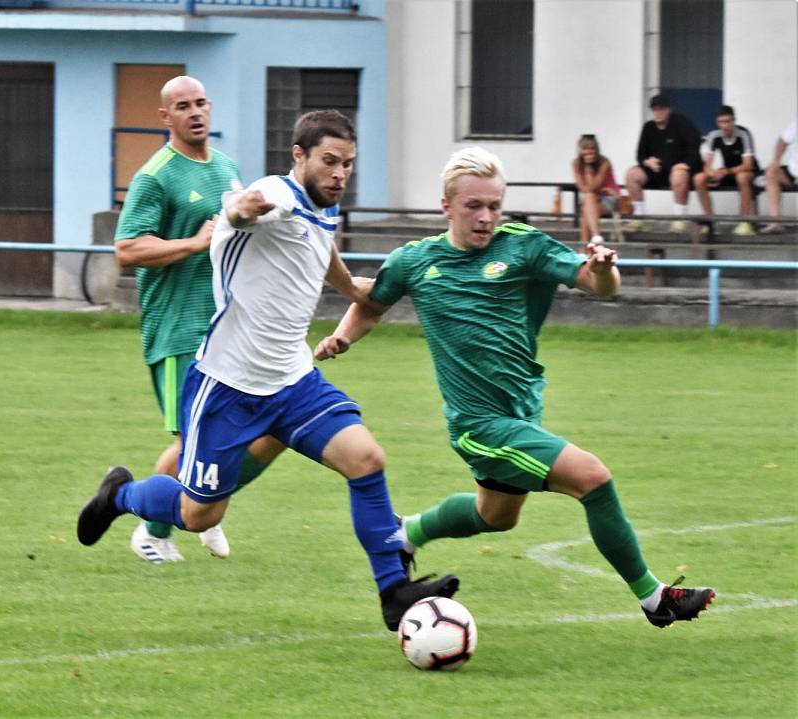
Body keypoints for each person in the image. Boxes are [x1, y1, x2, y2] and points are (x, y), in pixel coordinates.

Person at [79, 109, 459, 631]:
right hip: (228, 386)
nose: (340, 173)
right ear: (299, 156)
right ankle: (120, 495)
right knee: (198, 516)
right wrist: (238, 209)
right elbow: (243, 210)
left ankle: (393, 590)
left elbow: (319, 243)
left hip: (293, 382)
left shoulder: (323, 207)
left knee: (366, 459)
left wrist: (351, 290)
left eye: (348, 163)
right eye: (329, 160)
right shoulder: (275, 196)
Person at [315, 146, 716, 629]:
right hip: (480, 427)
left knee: (497, 516)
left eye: (494, 206)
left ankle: (406, 533)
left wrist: (605, 267)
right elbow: (373, 303)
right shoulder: (415, 262)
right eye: (473, 206)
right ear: (446, 206)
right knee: (593, 478)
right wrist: (342, 336)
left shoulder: (524, 246)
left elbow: (598, 285)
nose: (486, 218)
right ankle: (656, 599)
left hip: (522, 413)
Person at [114, 75, 283, 564]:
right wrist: (192, 242)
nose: (195, 112)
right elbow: (127, 249)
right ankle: (151, 531)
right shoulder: (157, 175)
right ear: (165, 117)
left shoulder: (227, 168)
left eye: (201, 103)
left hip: (228, 329)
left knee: (260, 431)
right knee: (191, 439)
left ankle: (207, 505)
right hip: (178, 329)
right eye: (183, 106)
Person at [625, 94, 703, 233]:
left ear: (669, 110)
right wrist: (647, 162)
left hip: (678, 171)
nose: (658, 113)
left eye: (661, 109)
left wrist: (685, 164)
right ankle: (638, 217)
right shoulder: (648, 127)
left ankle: (679, 219)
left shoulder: (681, 123)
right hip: (656, 171)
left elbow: (695, 144)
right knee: (632, 174)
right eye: (655, 109)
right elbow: (640, 154)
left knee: (679, 174)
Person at [694, 105, 759, 237]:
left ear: (734, 120)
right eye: (721, 122)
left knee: (742, 177)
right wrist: (713, 175)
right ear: (717, 122)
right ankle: (710, 221)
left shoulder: (743, 134)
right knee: (699, 178)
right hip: (728, 171)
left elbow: (748, 164)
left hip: (747, 170)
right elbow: (707, 166)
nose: (724, 126)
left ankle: (745, 222)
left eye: (727, 121)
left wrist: (725, 171)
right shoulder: (714, 135)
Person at [571, 134, 622, 246]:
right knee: (588, 204)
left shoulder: (604, 162)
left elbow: (593, 186)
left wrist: (588, 170)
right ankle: (596, 236)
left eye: (592, 149)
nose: (589, 152)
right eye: (586, 149)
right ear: (581, 151)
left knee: (587, 209)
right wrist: (587, 169)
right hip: (592, 199)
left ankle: (584, 249)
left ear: (596, 149)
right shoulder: (576, 163)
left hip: (609, 199)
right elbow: (583, 188)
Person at [760, 119, 798, 234]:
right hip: (793, 172)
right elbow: (782, 141)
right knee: (771, 172)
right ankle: (776, 223)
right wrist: (776, 160)